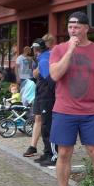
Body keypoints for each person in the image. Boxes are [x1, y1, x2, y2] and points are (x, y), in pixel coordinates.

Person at [49, 12, 94, 186]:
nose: (73, 30)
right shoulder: (59, 49)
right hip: (64, 110)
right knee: (64, 152)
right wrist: (70, 50)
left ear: (86, 28)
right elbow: (55, 75)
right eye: (70, 27)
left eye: (77, 27)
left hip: (91, 111)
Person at [23, 36, 57, 164]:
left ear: (37, 49)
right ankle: (47, 152)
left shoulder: (44, 59)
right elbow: (37, 74)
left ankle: (51, 154)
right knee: (44, 125)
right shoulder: (42, 58)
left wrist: (54, 94)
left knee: (47, 125)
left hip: (47, 96)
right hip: (42, 94)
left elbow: (51, 80)